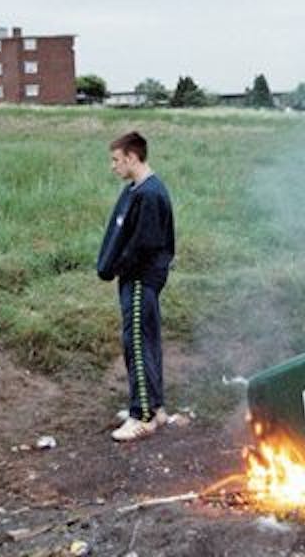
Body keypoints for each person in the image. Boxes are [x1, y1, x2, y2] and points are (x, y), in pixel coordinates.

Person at [96, 131, 175, 442]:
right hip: (136, 279)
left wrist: (118, 266)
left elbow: (143, 246)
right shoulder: (136, 190)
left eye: (116, 160)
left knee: (138, 344)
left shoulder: (150, 195)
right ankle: (155, 407)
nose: (113, 166)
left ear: (131, 157)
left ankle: (142, 416)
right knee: (147, 341)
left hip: (141, 280)